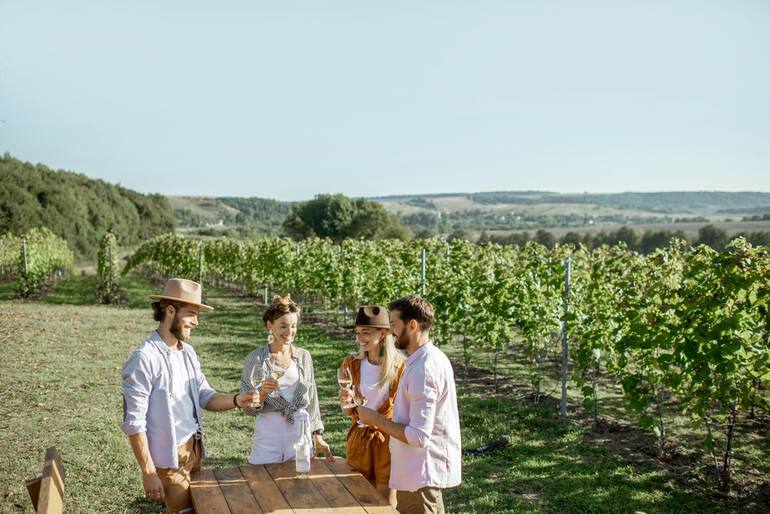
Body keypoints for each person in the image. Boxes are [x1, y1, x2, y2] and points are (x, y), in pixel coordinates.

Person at [121, 278, 259, 514]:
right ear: (170, 310)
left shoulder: (188, 353)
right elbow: (134, 423)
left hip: (193, 448)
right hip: (169, 458)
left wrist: (237, 400)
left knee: (199, 508)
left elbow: (205, 396)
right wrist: (149, 472)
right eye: (191, 314)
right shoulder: (144, 359)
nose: (196, 322)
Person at [357, 295, 461, 514]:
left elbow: (419, 436)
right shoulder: (430, 358)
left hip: (419, 477)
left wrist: (375, 420)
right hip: (418, 475)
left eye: (394, 325)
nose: (391, 331)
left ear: (412, 325)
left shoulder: (423, 368)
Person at [239, 293, 334, 464]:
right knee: (264, 484)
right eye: (283, 326)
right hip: (269, 433)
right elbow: (247, 408)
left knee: (300, 484)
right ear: (270, 326)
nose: (289, 332)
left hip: (299, 432)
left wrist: (317, 435)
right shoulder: (256, 358)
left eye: (293, 326)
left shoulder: (304, 357)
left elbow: (312, 399)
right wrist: (262, 394)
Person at [338, 305, 405, 506]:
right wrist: (345, 402)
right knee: (356, 500)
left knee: (386, 502)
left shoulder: (400, 367)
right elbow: (348, 410)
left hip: (388, 441)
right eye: (358, 333)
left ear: (383, 333)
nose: (360, 338)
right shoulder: (352, 364)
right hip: (359, 440)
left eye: (366, 333)